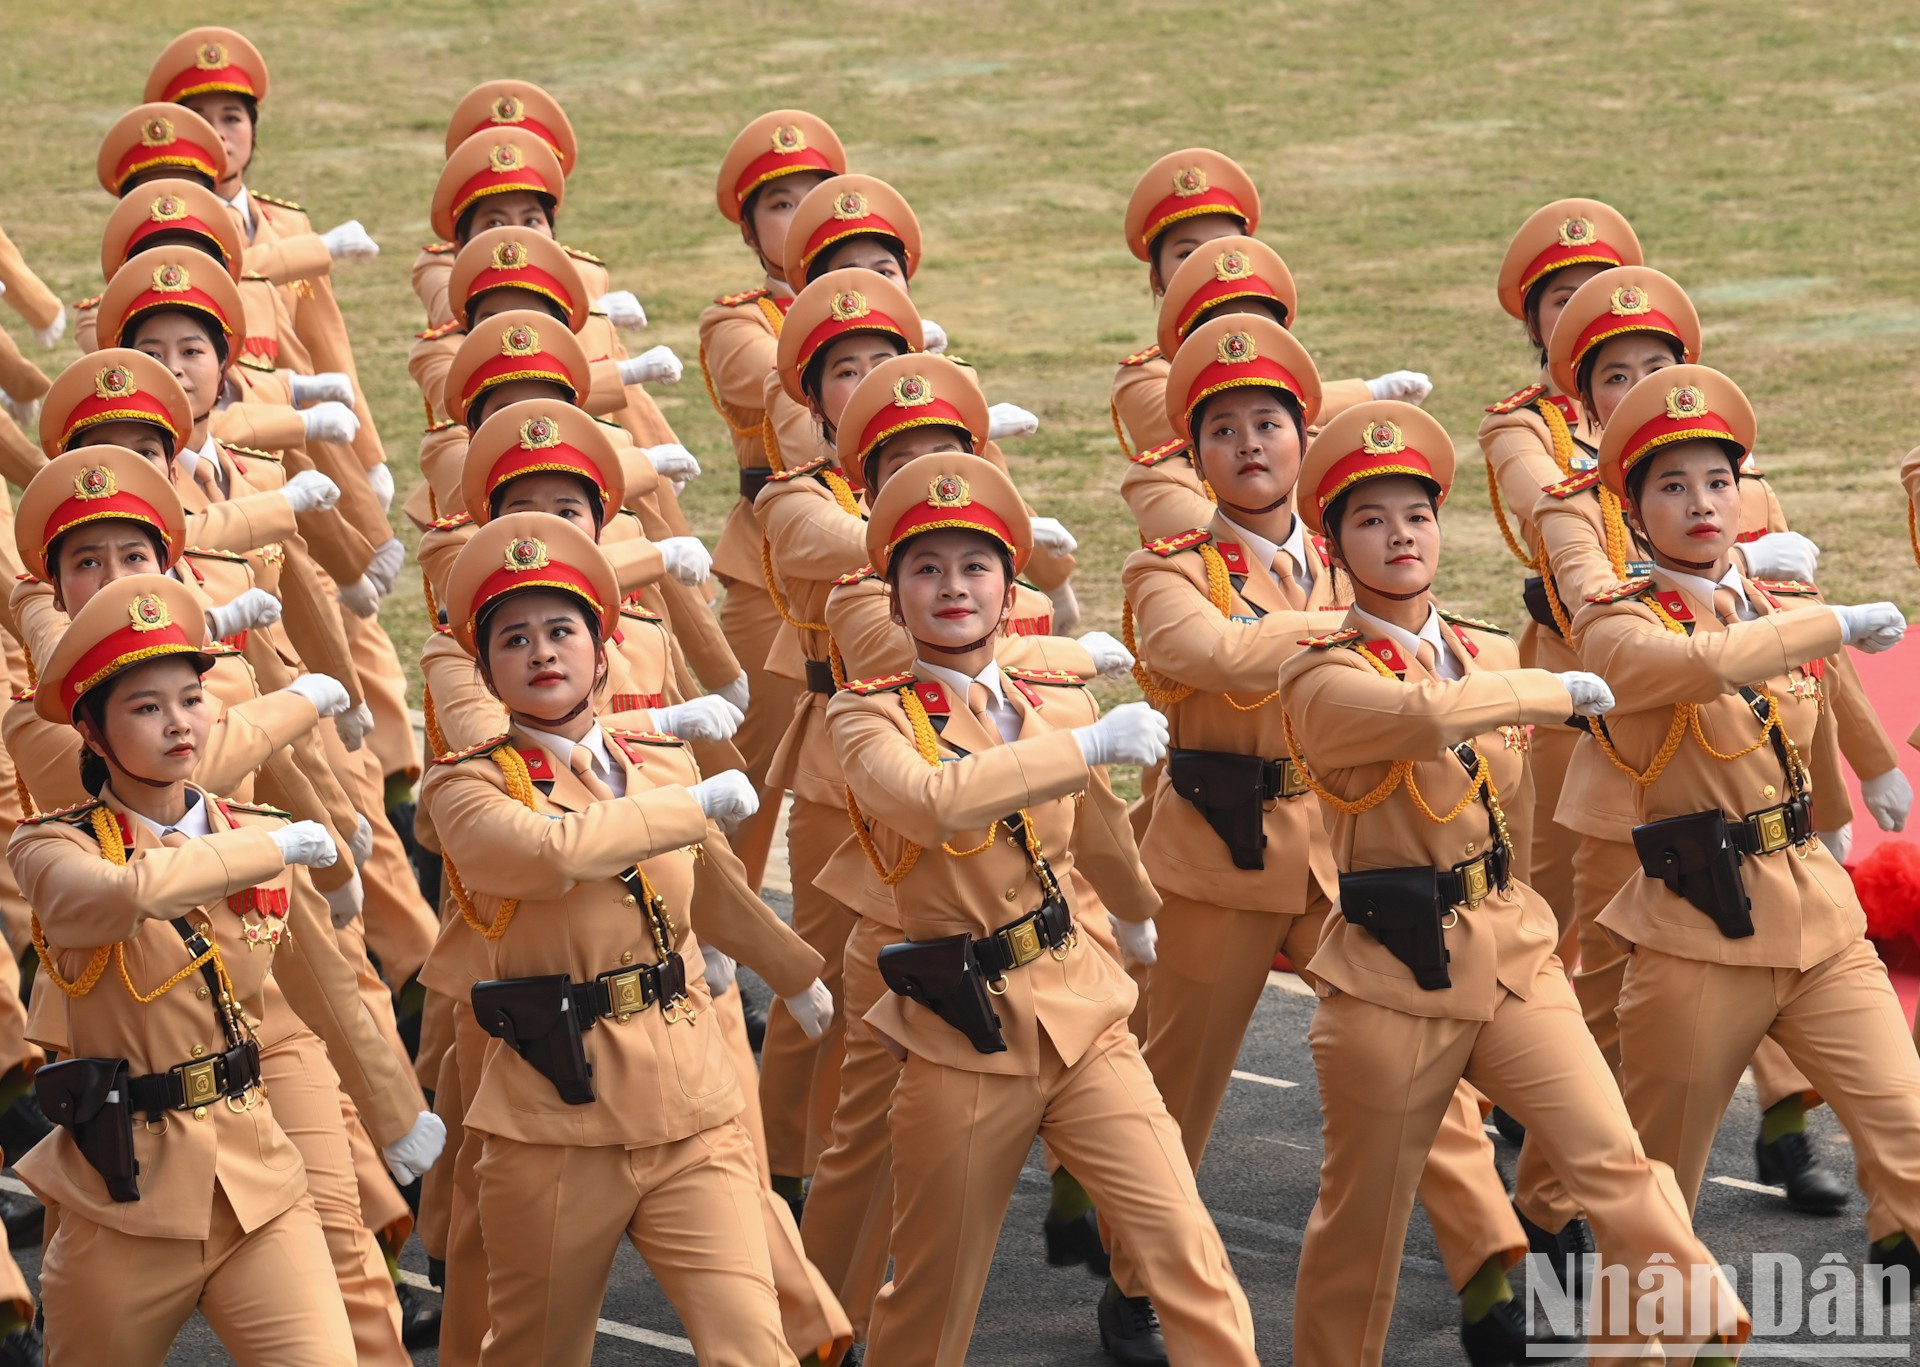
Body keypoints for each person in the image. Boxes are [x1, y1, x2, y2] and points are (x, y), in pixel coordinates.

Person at [1278, 399, 1750, 1365]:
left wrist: (1543, 927)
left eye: (1415, 513)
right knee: (1359, 1228)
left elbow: (1519, 816)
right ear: (1333, 543)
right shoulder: (1319, 674)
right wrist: (1548, 688)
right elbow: (1422, 718)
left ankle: (1705, 1326)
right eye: (1370, 519)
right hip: (1387, 980)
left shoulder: (1485, 647)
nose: (1400, 535)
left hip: (1507, 953)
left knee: (1613, 1160)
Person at [1116, 314, 1532, 1365]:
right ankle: (1139, 1275)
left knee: (1417, 1051)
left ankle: (1491, 1264)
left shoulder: (1360, 548)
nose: (1250, 445)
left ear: (1308, 437)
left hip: (1350, 850)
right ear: (1193, 454)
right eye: (1223, 429)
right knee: (1176, 1091)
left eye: (1272, 422)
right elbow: (1215, 656)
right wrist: (1346, 629)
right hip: (1221, 850)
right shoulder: (1169, 570)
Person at [829, 450, 1258, 1365]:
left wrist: (1138, 916)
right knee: (934, 1299)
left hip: (1082, 1012)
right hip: (963, 1038)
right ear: (893, 595)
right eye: (927, 569)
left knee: (1187, 1248)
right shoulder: (866, 717)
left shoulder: (1044, 700)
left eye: (975, 566)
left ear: (1008, 585)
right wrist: (1089, 739)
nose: (953, 587)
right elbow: (938, 799)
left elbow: (1097, 827)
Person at [419, 512, 809, 1366]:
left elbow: (711, 887)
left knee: (754, 1346)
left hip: (688, 1101)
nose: (541, 651)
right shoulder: (463, 787)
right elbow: (548, 852)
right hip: (554, 1117)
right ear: (484, 670)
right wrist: (691, 805)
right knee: (535, 1352)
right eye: (513, 638)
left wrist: (796, 976)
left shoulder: (657, 756)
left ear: (604, 652)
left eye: (563, 629)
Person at [1565, 364, 1920, 1288]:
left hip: (1817, 920)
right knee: (1657, 1192)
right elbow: (1706, 666)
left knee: (1909, 1126)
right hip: (1696, 935)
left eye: (1717, 481)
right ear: (1634, 512)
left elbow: (1808, 730)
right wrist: (1827, 621)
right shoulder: (1615, 625)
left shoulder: (1775, 610)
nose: (1701, 503)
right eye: (1671, 486)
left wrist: (1855, 799)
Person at [802, 353, 1126, 1345]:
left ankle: (1089, 1203)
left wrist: (1057, 608)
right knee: (865, 1147)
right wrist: (1065, 649)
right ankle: (816, 1323)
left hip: (1030, 861)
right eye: (901, 461)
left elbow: (1035, 644)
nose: (928, 473)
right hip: (910, 901)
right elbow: (952, 675)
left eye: (947, 453)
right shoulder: (869, 597)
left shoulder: (981, 565)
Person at [9, 574, 357, 1365]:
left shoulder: (260, 829)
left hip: (256, 1184)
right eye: (145, 706)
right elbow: (123, 893)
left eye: (192, 698)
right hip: (121, 1199)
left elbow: (316, 987)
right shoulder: (51, 847)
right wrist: (266, 849)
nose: (179, 724)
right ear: (92, 735)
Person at [697, 110, 848, 890]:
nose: (801, 221)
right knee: (747, 778)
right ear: (752, 231)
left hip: (867, 578)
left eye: (817, 198)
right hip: (771, 578)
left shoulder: (888, 318)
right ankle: (716, 952)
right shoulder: (736, 322)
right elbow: (785, 397)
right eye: (780, 204)